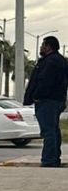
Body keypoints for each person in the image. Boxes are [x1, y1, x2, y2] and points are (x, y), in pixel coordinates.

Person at [24, 36, 68, 167]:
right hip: (58, 100)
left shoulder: (50, 62)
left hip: (47, 101)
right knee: (54, 130)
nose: (41, 47)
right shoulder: (61, 61)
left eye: (43, 45)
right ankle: (54, 158)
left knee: (48, 131)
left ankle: (48, 160)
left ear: (48, 46)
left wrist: (37, 96)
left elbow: (45, 81)